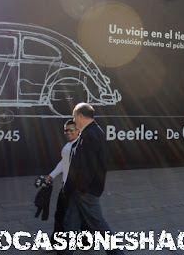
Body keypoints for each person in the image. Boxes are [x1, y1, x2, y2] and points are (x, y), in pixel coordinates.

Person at [62, 103, 123, 255]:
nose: (74, 120)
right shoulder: (94, 131)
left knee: (98, 224)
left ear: (81, 116)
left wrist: (81, 187)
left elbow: (88, 165)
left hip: (86, 190)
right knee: (70, 224)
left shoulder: (91, 135)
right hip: (82, 189)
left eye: (75, 116)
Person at [45, 119, 80, 243]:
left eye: (71, 130)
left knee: (62, 216)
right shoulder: (69, 145)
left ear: (78, 130)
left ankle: (57, 243)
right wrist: (51, 176)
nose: (68, 132)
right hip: (68, 187)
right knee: (83, 216)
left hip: (74, 189)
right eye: (66, 130)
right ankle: (86, 241)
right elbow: (63, 162)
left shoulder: (80, 146)